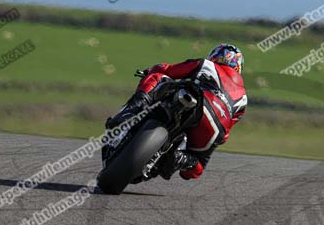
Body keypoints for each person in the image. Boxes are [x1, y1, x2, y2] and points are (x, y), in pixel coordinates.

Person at [104, 43, 247, 180]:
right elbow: (225, 135)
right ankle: (180, 159)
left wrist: (151, 71)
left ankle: (130, 112)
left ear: (215, 56)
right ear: (238, 67)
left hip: (200, 100)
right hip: (216, 129)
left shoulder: (206, 65)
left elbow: (167, 70)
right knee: (196, 170)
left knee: (158, 76)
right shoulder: (243, 98)